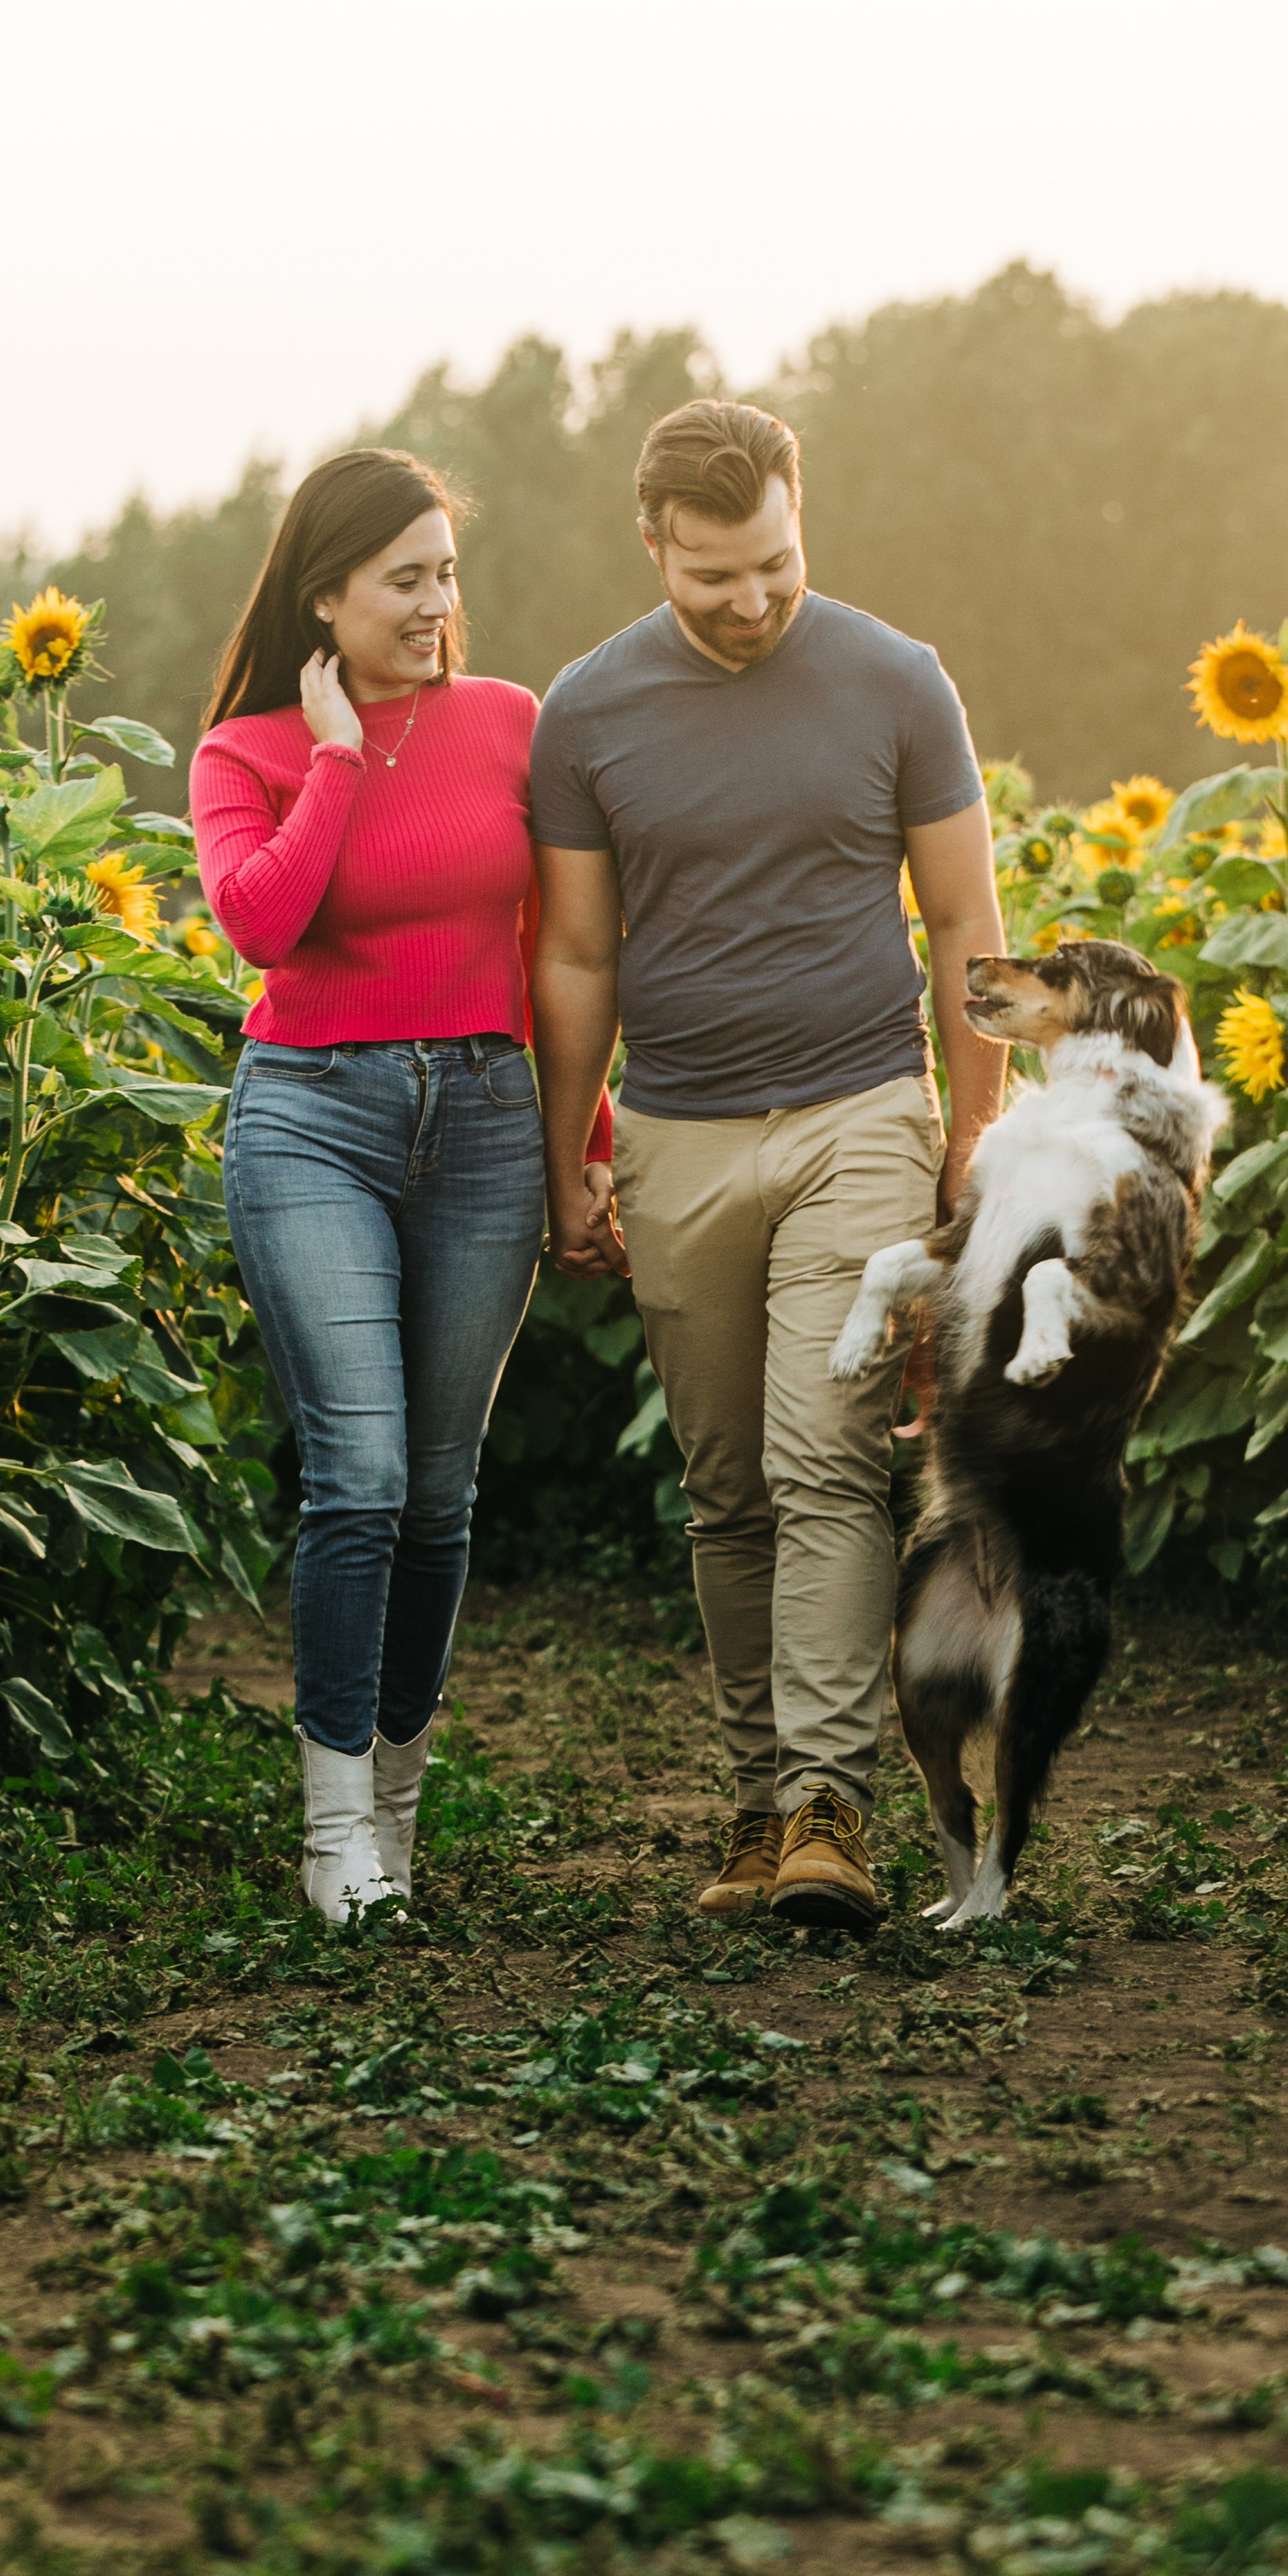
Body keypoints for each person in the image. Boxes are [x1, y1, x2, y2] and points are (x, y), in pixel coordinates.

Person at [529, 398, 1006, 1933]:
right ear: (652, 543)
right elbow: (583, 951)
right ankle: (755, 1804)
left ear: (804, 516)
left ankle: (829, 1806)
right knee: (727, 1486)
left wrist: (976, 1135)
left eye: (777, 568)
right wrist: (570, 1151)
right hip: (674, 1132)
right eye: (714, 577)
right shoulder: (587, 714)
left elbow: (967, 927)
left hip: (860, 1113)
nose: (749, 603)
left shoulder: (896, 680)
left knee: (823, 1458)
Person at [191, 450, 609, 1923]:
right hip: (313, 1119)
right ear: (328, 594)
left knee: (437, 1494)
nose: (441, 603)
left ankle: (396, 1813)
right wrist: (337, 756)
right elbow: (261, 923)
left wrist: (585, 1139)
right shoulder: (246, 752)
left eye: (448, 572)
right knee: (356, 1476)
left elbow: (558, 946)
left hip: (491, 1118)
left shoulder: (511, 723)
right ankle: (329, 1842)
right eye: (407, 579)